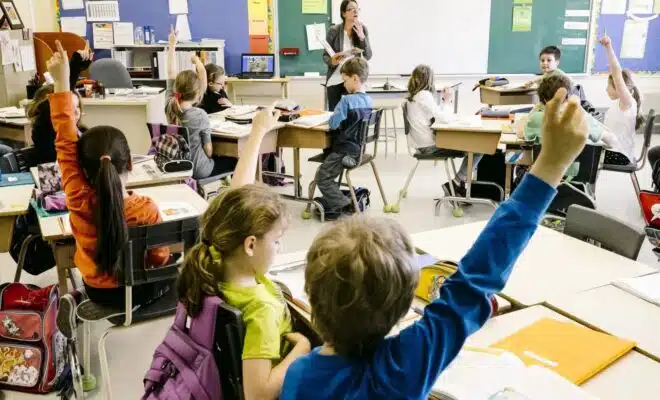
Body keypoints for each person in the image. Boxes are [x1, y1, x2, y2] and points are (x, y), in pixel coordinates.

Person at [280, 88, 589, 400]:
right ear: (403, 311)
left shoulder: (297, 376)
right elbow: (474, 280)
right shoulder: (402, 368)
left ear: (313, 301)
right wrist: (551, 164)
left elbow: (473, 285)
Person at [177, 103, 311, 400]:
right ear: (250, 244)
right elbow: (258, 394)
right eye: (276, 241)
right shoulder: (260, 308)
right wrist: (302, 350)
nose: (278, 248)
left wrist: (258, 133)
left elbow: (236, 204)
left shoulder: (214, 265)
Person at [47, 41, 171, 339]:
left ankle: (82, 299)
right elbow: (158, 259)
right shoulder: (145, 207)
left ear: (84, 168)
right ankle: (115, 307)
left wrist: (62, 82)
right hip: (135, 292)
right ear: (130, 162)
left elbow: (65, 141)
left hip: (96, 288)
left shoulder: (77, 196)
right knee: (175, 273)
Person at [166, 27, 237, 179]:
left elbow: (170, 73)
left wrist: (172, 45)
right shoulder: (199, 115)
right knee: (237, 160)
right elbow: (209, 151)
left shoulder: (170, 106)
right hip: (199, 170)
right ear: (198, 93)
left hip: (176, 166)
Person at [406, 64, 482, 198]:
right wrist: (447, 100)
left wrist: (444, 104)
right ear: (429, 80)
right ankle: (457, 182)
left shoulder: (415, 96)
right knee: (478, 148)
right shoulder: (424, 95)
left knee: (474, 147)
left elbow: (437, 117)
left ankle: (459, 183)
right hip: (429, 147)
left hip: (422, 145)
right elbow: (444, 118)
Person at [316, 57, 372, 217]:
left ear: (355, 78)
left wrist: (334, 115)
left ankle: (347, 205)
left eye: (345, 80)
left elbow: (333, 124)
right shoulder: (368, 100)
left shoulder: (346, 101)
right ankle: (345, 200)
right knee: (327, 174)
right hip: (358, 150)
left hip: (343, 151)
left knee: (323, 178)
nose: (344, 85)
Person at [26, 43, 93, 165]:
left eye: (77, 107)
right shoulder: (45, 131)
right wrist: (71, 71)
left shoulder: (82, 132)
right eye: (70, 108)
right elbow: (56, 107)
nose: (77, 111)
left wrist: (74, 70)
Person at [599, 34, 644, 166]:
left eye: (609, 86)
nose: (606, 89)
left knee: (582, 151)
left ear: (619, 87)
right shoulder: (621, 104)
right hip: (616, 151)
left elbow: (616, 72)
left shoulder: (627, 103)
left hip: (620, 155)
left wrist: (608, 46)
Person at [324, 0, 372, 111]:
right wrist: (333, 61)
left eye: (357, 8)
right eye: (351, 8)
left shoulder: (362, 29)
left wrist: (362, 38)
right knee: (335, 113)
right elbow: (325, 56)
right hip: (335, 79)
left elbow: (368, 56)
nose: (355, 11)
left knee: (352, 114)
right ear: (344, 13)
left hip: (353, 80)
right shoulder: (334, 31)